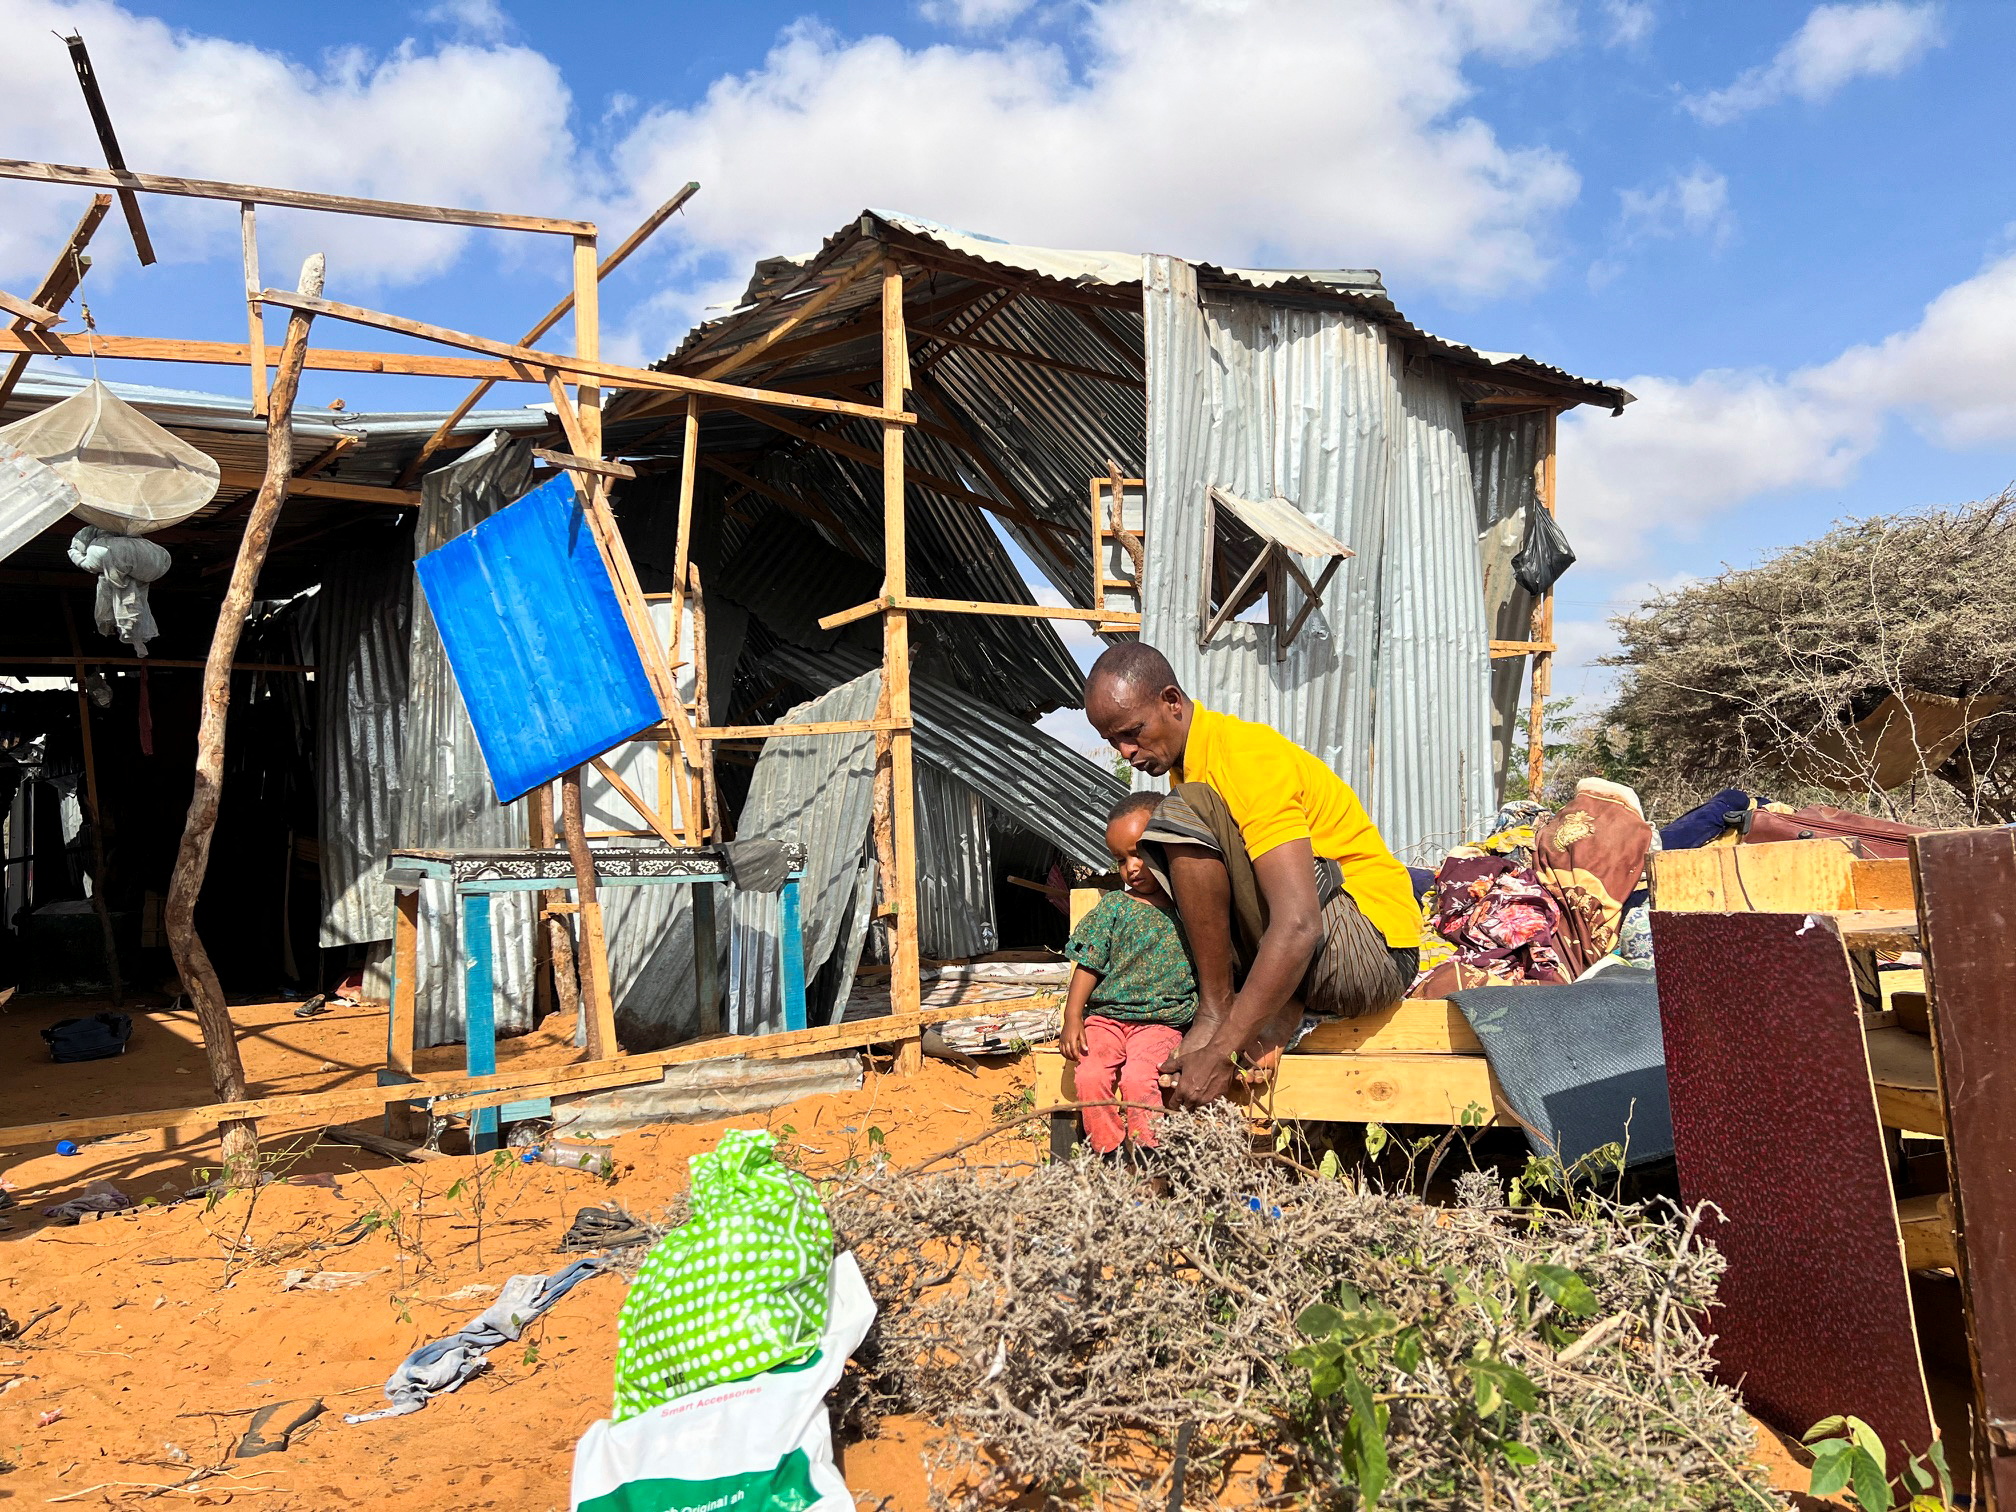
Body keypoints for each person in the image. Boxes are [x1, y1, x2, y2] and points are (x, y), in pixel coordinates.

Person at [1083, 643, 1419, 1112]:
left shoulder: (1243, 756)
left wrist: (1223, 1049)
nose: (1126, 752)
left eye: (1133, 732)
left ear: (1172, 701)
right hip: (1328, 952)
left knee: (1182, 815)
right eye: (1113, 739)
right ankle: (1277, 1005)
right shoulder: (1193, 768)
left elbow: (1299, 922)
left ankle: (1221, 1009)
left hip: (1370, 952)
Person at [1060, 791, 1198, 1154]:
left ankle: (1148, 1154)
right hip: (1105, 1020)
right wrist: (1073, 1015)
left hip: (1161, 1023)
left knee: (1141, 1079)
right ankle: (1109, 1152)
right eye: (1121, 860)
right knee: (1090, 1077)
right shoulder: (1115, 907)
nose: (1131, 867)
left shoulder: (1193, 908)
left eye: (1139, 853)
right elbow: (1088, 963)